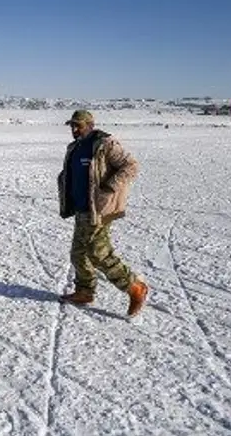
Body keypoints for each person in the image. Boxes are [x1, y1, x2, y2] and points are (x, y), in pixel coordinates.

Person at [57, 110, 148, 317]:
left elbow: (130, 166)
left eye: (78, 125)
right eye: (72, 125)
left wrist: (109, 186)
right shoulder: (74, 147)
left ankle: (135, 287)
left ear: (90, 125)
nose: (74, 129)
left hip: (99, 209)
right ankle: (84, 291)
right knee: (79, 253)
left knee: (99, 253)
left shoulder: (104, 144)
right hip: (81, 208)